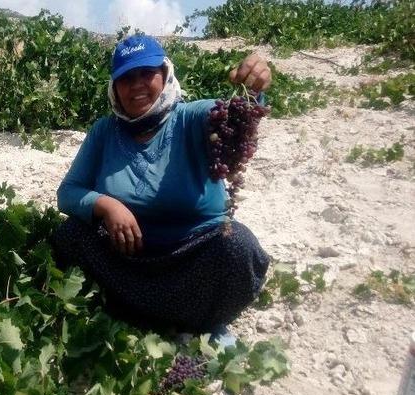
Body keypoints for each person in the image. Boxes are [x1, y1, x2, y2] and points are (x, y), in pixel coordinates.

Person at [53, 34, 272, 346]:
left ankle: (203, 320)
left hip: (192, 259)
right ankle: (172, 318)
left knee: (239, 247)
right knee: (70, 234)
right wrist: (107, 205)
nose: (138, 85)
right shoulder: (104, 132)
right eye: (126, 78)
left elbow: (235, 118)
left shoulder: (193, 117)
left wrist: (253, 90)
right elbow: (68, 193)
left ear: (166, 75)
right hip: (128, 260)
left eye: (147, 74)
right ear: (114, 88)